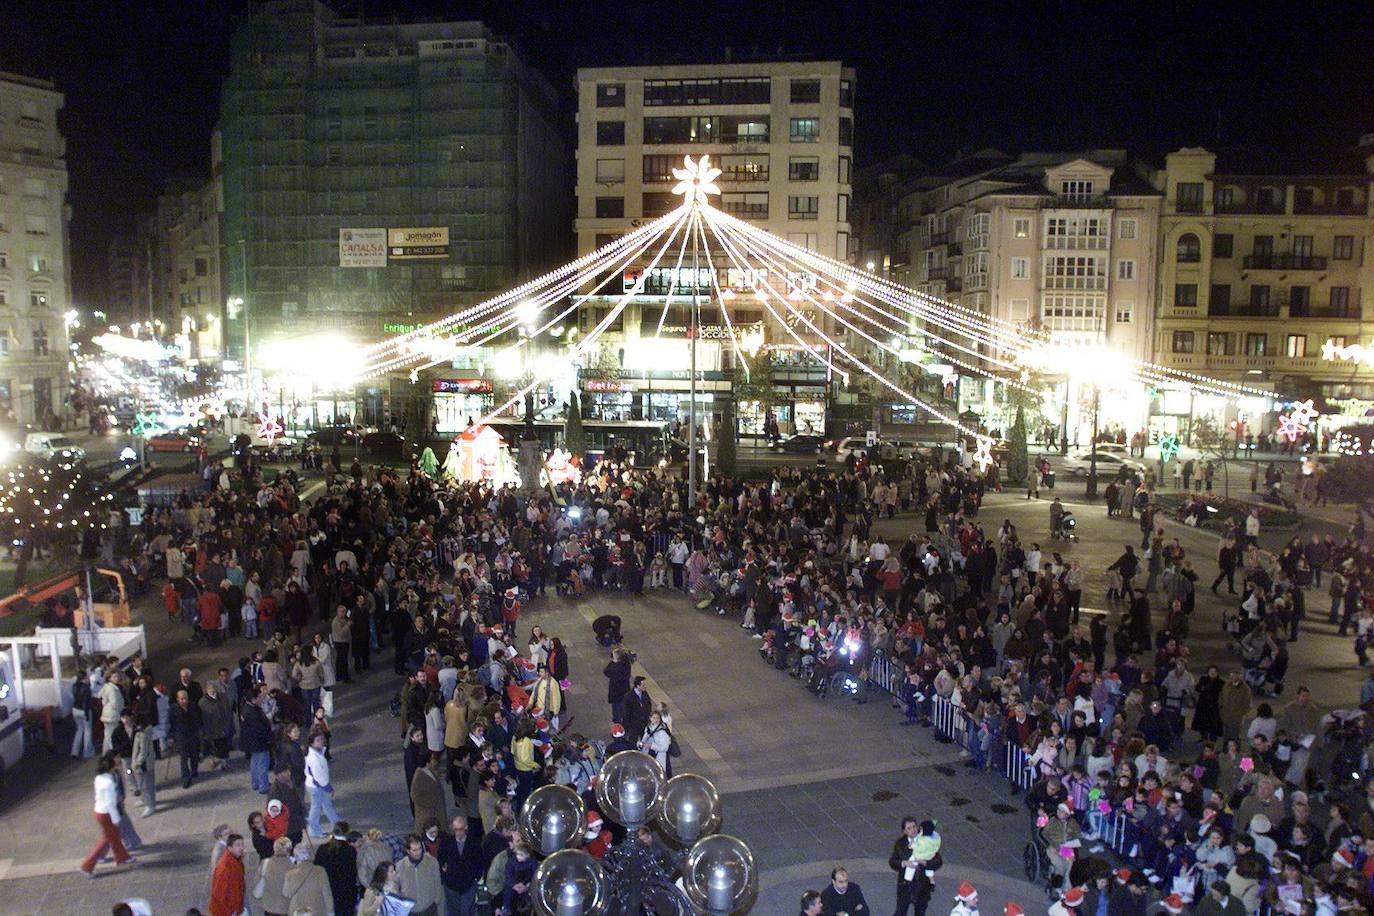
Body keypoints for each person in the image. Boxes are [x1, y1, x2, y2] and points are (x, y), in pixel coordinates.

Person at [80, 753, 133, 877]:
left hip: (99, 811)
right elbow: (110, 802)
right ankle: (87, 865)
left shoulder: (99, 778)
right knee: (107, 839)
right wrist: (116, 819)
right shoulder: (109, 782)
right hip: (107, 813)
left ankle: (122, 857)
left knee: (113, 836)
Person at [889, 816, 941, 916]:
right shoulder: (900, 844)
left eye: (914, 826)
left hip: (922, 885)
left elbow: (938, 861)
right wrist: (904, 863)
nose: (913, 830)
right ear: (905, 831)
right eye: (909, 828)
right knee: (900, 911)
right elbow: (893, 862)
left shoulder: (927, 840)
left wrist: (926, 863)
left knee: (920, 911)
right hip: (905, 885)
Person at [438, 815, 482, 916]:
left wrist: (476, 877)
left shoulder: (474, 843)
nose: (458, 832)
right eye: (456, 829)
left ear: (466, 827)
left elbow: (479, 861)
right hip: (451, 885)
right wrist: (445, 876)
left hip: (468, 884)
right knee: (454, 912)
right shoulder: (446, 843)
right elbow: (440, 861)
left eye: (460, 829)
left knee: (466, 911)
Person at [314, 823, 360, 916]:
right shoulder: (350, 850)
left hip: (328, 890)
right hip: (346, 892)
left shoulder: (322, 849)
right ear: (346, 833)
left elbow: (317, 869)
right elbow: (353, 872)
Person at [396, 833, 444, 916]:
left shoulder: (432, 862)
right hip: (410, 911)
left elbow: (438, 884)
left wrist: (436, 900)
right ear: (408, 851)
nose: (418, 852)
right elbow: (397, 888)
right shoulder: (400, 866)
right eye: (414, 850)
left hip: (429, 909)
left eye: (420, 849)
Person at [305, 731, 341, 839]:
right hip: (318, 786)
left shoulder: (317, 753)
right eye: (317, 740)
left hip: (316, 785)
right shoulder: (315, 758)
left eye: (321, 739)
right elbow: (319, 777)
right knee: (317, 808)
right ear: (312, 743)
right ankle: (314, 830)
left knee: (325, 805)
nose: (321, 742)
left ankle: (337, 824)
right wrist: (328, 788)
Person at [170, 686, 204, 789]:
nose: (184, 700)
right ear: (177, 699)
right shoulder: (173, 709)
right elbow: (171, 723)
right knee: (183, 758)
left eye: (186, 698)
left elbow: (199, 717)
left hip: (193, 734)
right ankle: (185, 778)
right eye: (182, 698)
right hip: (181, 736)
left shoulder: (193, 706)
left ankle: (194, 770)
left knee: (194, 754)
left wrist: (200, 729)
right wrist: (171, 736)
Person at [208, 833, 246, 916]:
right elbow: (219, 896)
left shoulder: (235, 859)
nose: (241, 847)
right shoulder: (224, 869)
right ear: (229, 848)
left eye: (242, 844)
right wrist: (231, 912)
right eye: (238, 845)